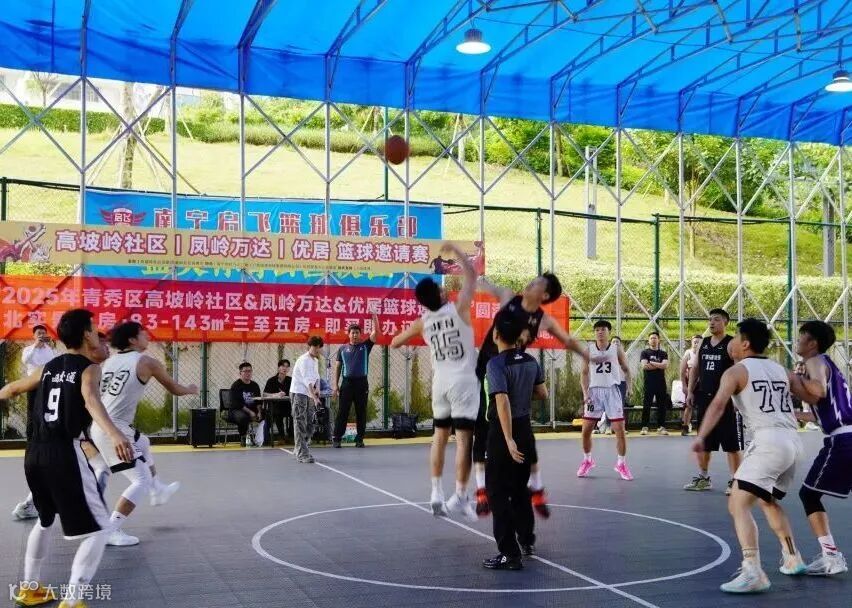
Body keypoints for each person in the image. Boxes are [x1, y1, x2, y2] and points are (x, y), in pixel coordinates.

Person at [0, 309, 134, 608]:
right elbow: (91, 399)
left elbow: (11, 389)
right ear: (86, 334)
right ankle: (73, 601)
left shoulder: (47, 367)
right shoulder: (89, 368)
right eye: (95, 329)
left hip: (35, 452)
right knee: (100, 529)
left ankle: (30, 589)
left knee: (45, 520)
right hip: (64, 453)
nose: (98, 334)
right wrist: (115, 434)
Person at [691, 318, 805, 593]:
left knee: (737, 503)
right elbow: (810, 394)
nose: (730, 341)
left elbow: (718, 405)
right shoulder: (780, 369)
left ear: (744, 343)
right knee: (767, 501)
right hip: (793, 442)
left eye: (735, 337)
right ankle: (792, 557)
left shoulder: (736, 372)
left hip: (769, 442)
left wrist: (701, 435)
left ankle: (752, 570)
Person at [474, 272, 587, 517]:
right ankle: (482, 490)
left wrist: (588, 356)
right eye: (533, 279)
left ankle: (536, 488)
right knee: (483, 433)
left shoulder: (543, 319)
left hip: (514, 375)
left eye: (537, 283)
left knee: (523, 435)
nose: (530, 282)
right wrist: (478, 281)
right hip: (488, 372)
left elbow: (567, 340)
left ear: (544, 296)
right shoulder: (508, 297)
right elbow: (486, 286)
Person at [89, 321, 197, 547]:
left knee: (144, 442)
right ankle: (111, 530)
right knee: (140, 480)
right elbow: (174, 389)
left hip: (102, 425)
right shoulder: (146, 362)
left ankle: (158, 490)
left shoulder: (109, 361)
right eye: (142, 333)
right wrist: (190, 389)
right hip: (114, 429)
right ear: (132, 340)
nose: (147, 336)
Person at [391, 242, 479, 522]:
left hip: (440, 383)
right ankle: (460, 495)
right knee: (464, 441)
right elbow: (472, 275)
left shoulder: (423, 322)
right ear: (440, 294)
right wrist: (457, 251)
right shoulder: (459, 309)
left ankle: (436, 492)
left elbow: (394, 343)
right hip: (463, 383)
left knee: (439, 437)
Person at [11, 332, 112, 523]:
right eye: (102, 343)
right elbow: (89, 404)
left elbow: (13, 389)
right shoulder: (85, 370)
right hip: (66, 437)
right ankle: (96, 518)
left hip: (54, 437)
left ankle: (32, 505)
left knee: (70, 472)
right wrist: (114, 434)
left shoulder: (62, 367)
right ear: (89, 345)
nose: (107, 348)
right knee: (98, 468)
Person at [482, 310, 548, 570]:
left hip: (503, 433)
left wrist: (508, 439)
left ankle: (509, 553)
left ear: (496, 335)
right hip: (525, 429)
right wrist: (521, 392)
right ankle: (526, 540)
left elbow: (502, 400)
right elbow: (542, 393)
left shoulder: (496, 364)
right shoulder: (531, 361)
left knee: (497, 492)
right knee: (520, 489)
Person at [788, 321, 851, 576]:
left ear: (812, 342)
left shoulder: (815, 361)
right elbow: (821, 410)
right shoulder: (827, 365)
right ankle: (831, 556)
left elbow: (817, 392)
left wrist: (793, 379)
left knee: (809, 495)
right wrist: (793, 415)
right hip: (846, 435)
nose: (797, 340)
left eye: (801, 336)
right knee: (810, 495)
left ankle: (831, 557)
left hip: (843, 441)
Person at [683, 309, 743, 494]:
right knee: (704, 441)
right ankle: (703, 478)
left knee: (731, 444)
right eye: (710, 320)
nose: (712, 323)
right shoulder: (704, 342)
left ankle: (735, 481)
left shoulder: (731, 343)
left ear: (726, 322)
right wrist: (690, 391)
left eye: (716, 319)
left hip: (725, 400)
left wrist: (738, 398)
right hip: (704, 397)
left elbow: (739, 370)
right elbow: (695, 368)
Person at [11, 326, 59, 520]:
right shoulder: (29, 349)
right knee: (33, 411)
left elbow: (54, 364)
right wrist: (36, 345)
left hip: (48, 385)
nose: (42, 336)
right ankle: (32, 432)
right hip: (33, 384)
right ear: (33, 335)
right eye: (38, 333)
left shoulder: (50, 350)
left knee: (46, 410)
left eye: (43, 333)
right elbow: (26, 360)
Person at [579, 319, 633, 480]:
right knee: (586, 430)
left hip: (612, 391)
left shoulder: (616, 349)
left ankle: (621, 464)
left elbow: (626, 369)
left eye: (603, 329)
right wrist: (585, 393)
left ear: (609, 332)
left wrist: (629, 387)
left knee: (619, 430)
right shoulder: (589, 349)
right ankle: (587, 460)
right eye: (597, 330)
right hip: (594, 392)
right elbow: (584, 373)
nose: (600, 332)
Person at [332, 313, 380, 448]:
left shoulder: (365, 346)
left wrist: (374, 316)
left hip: (361, 384)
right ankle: (337, 438)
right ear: (348, 334)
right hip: (346, 384)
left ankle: (359, 439)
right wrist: (335, 385)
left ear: (360, 334)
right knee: (342, 411)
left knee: (361, 412)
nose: (355, 335)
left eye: (357, 333)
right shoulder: (342, 349)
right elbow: (338, 367)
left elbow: (376, 332)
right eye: (352, 333)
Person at [291, 336, 324, 464]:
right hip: (299, 393)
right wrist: (315, 398)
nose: (317, 349)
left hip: (308, 394)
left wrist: (318, 389)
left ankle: (299, 447)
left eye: (319, 347)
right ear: (309, 346)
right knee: (299, 422)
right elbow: (307, 381)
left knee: (310, 422)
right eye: (314, 346)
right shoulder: (304, 360)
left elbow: (316, 377)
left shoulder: (315, 360)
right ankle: (302, 454)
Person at [640, 332, 670, 436]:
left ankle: (661, 426)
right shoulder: (645, 352)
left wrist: (652, 363)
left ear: (659, 340)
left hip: (661, 383)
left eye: (655, 338)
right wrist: (659, 365)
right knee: (646, 405)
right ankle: (644, 426)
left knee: (662, 405)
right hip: (649, 382)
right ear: (648, 341)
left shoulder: (663, 353)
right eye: (651, 338)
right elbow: (645, 366)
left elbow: (665, 366)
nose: (653, 340)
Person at [228, 362, 262, 447]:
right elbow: (237, 404)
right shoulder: (236, 386)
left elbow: (258, 401)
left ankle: (263, 438)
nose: (248, 373)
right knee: (243, 417)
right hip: (237, 410)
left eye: (250, 371)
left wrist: (259, 412)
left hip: (253, 409)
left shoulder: (255, 385)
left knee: (268, 414)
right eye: (245, 371)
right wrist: (250, 412)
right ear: (240, 373)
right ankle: (243, 437)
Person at [263, 359, 292, 444]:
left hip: (287, 405)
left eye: (287, 366)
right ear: (278, 368)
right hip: (275, 405)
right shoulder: (271, 380)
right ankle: (281, 436)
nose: (285, 368)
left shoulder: (291, 380)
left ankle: (291, 436)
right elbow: (264, 394)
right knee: (277, 413)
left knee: (295, 412)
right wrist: (275, 395)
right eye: (283, 366)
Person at [679, 335, 702, 435]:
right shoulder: (688, 353)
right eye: (695, 342)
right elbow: (682, 371)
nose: (696, 344)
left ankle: (702, 429)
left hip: (703, 383)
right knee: (689, 405)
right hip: (691, 383)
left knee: (703, 406)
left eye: (699, 342)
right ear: (692, 343)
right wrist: (684, 385)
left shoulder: (704, 353)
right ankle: (685, 426)